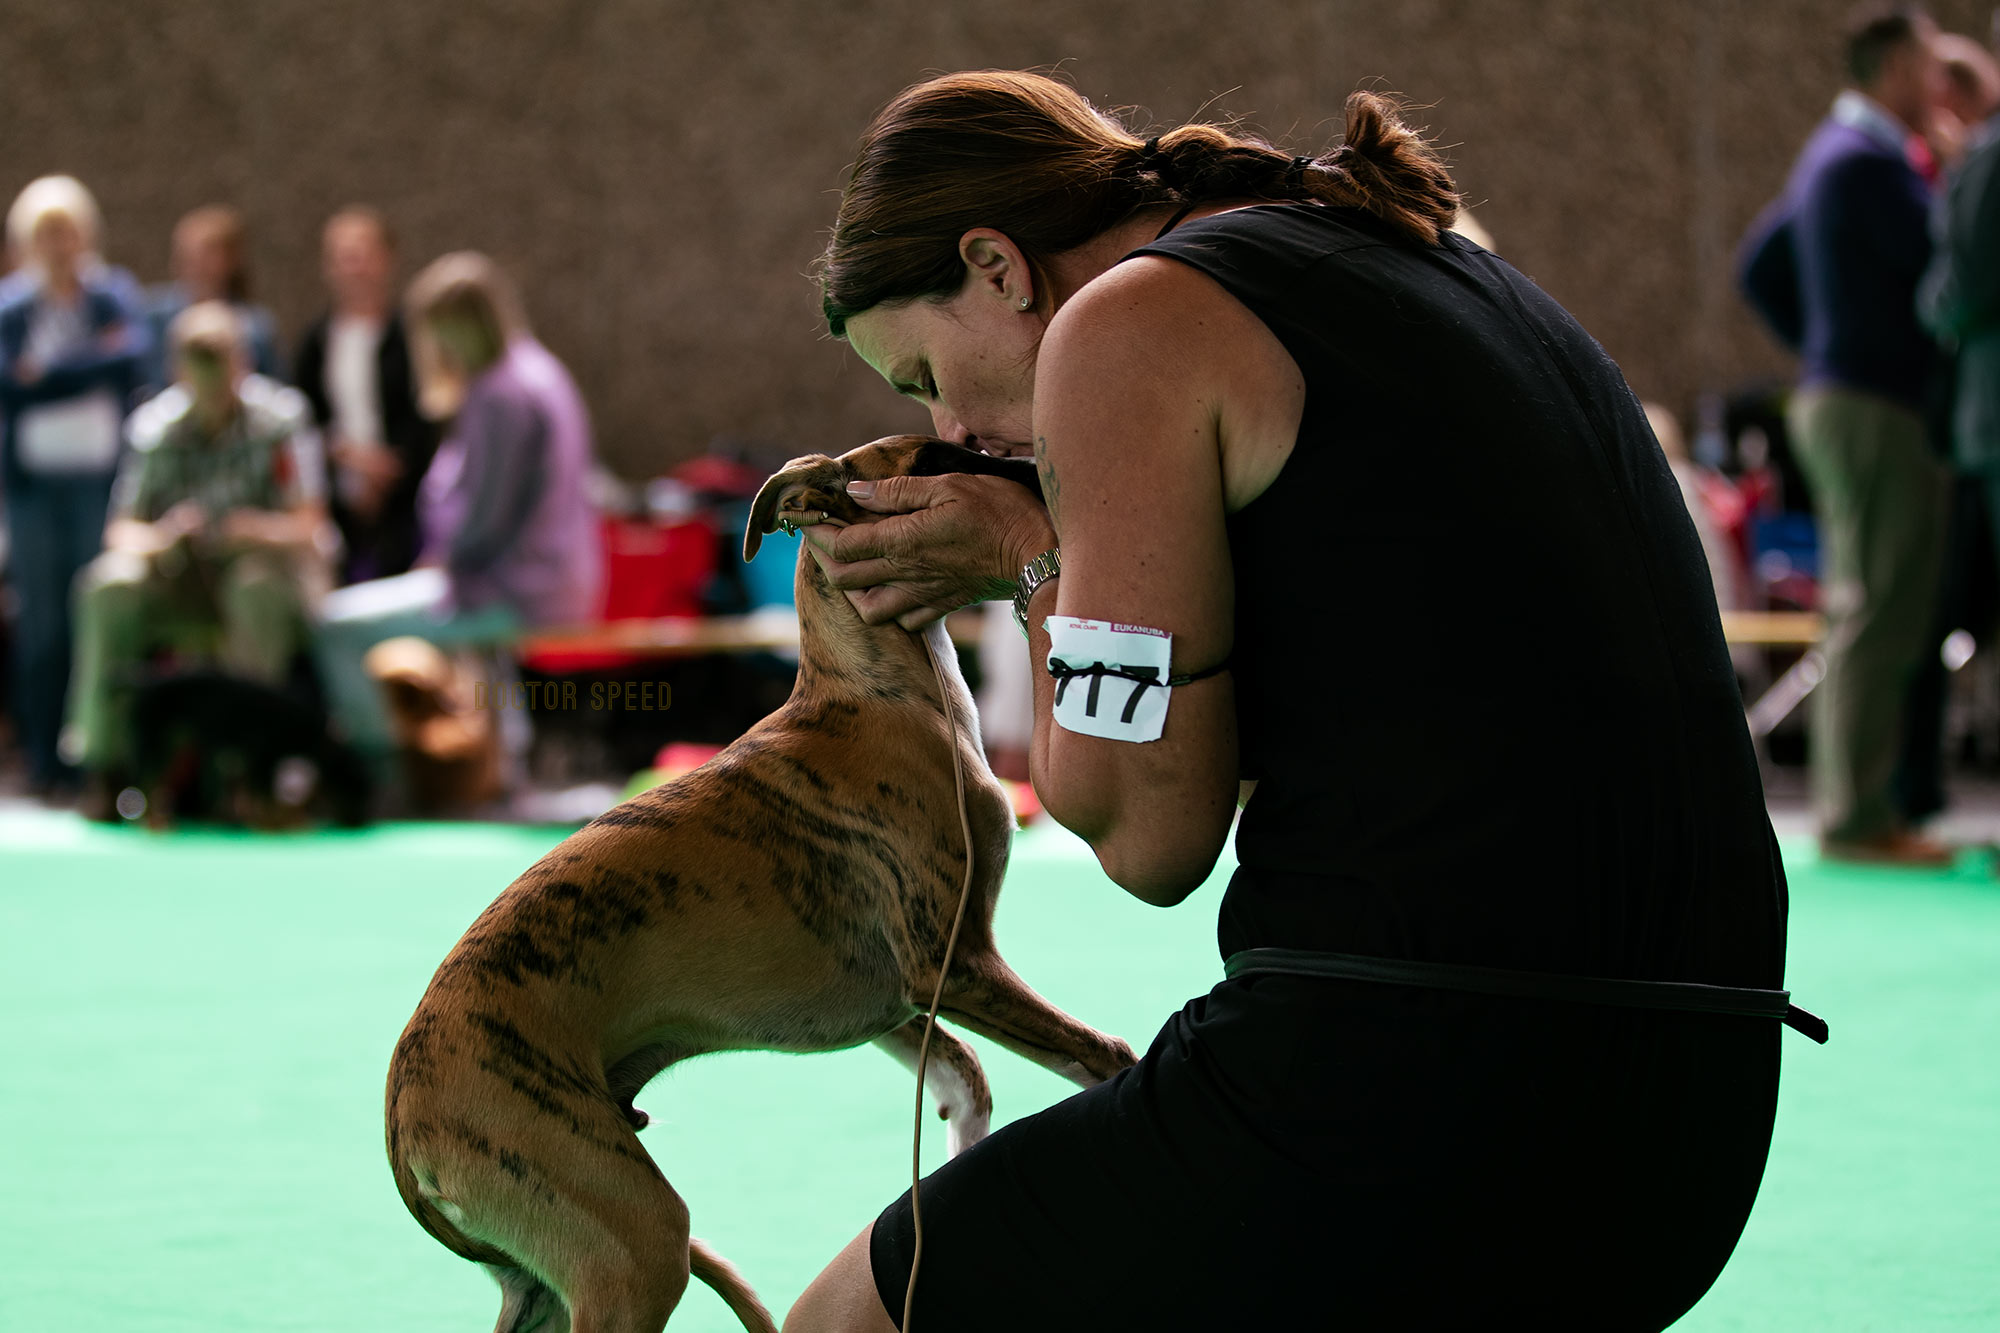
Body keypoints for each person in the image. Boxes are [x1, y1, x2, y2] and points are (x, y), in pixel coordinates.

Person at [782, 70, 1799, 1333]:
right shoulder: (1431, 260)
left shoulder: (1122, 328)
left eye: (923, 375)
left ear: (997, 265)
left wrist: (1038, 560)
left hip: (1420, 1100)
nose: (955, 430)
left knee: (847, 1318)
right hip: (1695, 1123)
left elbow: (1146, 840)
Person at [1737, 4, 1951, 864]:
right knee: (1878, 606)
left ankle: (1859, 809)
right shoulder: (1869, 162)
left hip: (1841, 396)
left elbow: (1760, 263)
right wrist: (1842, 346)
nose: (1939, 86)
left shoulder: (1832, 155)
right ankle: (1858, 817)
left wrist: (1820, 341)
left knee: (1870, 599)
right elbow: (1948, 271)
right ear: (1898, 69)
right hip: (1871, 404)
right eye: (1932, 67)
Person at [312, 251, 600, 784]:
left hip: (514, 590)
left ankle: (390, 774)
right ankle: (493, 766)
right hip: (559, 582)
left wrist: (442, 561)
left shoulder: (500, 393)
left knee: (336, 626)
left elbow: (483, 520)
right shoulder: (540, 371)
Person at [66, 301, 331, 811]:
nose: (212, 386)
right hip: (181, 577)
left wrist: (251, 530)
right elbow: (121, 532)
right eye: (199, 371)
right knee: (108, 586)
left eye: (222, 367)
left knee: (254, 590)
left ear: (244, 362)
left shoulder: (281, 420)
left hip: (263, 578)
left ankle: (249, 774)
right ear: (177, 371)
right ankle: (108, 765)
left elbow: (311, 525)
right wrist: (166, 535)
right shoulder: (155, 427)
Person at [0, 174, 147, 795]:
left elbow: (133, 357)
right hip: (35, 488)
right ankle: (44, 759)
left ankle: (98, 759)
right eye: (47, 233)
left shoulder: (112, 295)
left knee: (95, 618)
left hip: (99, 483)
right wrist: (86, 365)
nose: (59, 244)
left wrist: (52, 371)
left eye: (68, 230)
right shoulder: (13, 305)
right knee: (41, 625)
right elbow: (10, 381)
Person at [291, 206, 441, 585]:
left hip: (405, 499)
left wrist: (389, 468)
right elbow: (301, 419)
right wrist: (348, 459)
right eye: (343, 257)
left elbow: (428, 412)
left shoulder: (412, 336)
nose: (353, 267)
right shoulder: (317, 341)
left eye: (362, 255)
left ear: (387, 260)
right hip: (335, 498)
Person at [139, 205, 284, 395]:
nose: (195, 262)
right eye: (186, 251)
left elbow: (273, 389)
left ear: (230, 259)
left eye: (206, 253)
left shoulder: (254, 327)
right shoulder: (154, 317)